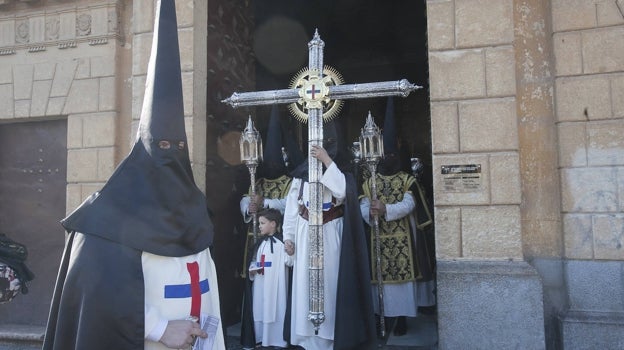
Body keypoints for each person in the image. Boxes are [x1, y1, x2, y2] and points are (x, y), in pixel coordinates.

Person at [42, 1, 225, 349]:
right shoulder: (104, 221)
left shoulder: (195, 213)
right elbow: (96, 296)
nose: (171, 155)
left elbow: (206, 284)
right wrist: (159, 329)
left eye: (178, 147)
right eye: (162, 145)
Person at [282, 121, 376, 350]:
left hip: (330, 232)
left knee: (330, 283)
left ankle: (331, 335)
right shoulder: (300, 175)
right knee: (305, 283)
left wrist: (326, 161)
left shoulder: (340, 170)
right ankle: (306, 337)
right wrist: (289, 237)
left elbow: (342, 192)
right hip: (305, 234)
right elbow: (292, 209)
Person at [359, 98, 435, 337]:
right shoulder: (370, 180)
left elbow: (411, 203)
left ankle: (401, 318)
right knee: (377, 278)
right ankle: (382, 316)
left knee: (402, 284)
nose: (389, 157)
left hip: (403, 237)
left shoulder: (406, 179)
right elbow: (361, 202)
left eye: (393, 153)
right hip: (377, 237)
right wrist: (369, 211)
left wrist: (386, 210)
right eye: (386, 153)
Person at [239, 106, 300, 349]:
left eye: (277, 161)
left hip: (281, 242)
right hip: (257, 242)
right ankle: (255, 330)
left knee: (280, 288)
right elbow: (245, 199)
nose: (273, 165)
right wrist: (249, 206)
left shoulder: (290, 182)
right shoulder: (259, 181)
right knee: (257, 286)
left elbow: (291, 204)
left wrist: (266, 203)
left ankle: (280, 332)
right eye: (270, 160)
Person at [246, 208, 293, 348]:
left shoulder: (281, 243)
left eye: (262, 223)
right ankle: (260, 338)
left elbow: (289, 262)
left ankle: (278, 339)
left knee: (277, 308)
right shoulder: (259, 244)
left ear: (273, 224)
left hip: (277, 285)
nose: (259, 226)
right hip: (261, 284)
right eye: (259, 223)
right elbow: (254, 261)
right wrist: (252, 271)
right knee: (260, 308)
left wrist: (290, 253)